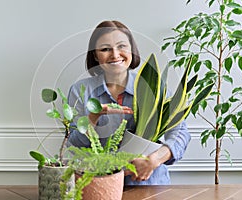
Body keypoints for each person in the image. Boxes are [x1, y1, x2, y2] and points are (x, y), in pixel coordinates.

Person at [66, 20, 191, 185]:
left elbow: (180, 132)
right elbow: (73, 144)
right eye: (105, 49)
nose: (115, 54)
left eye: (122, 46)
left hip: (149, 183)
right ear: (95, 55)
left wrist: (154, 160)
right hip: (101, 185)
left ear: (132, 49)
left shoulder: (151, 86)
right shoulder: (80, 90)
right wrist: (92, 118)